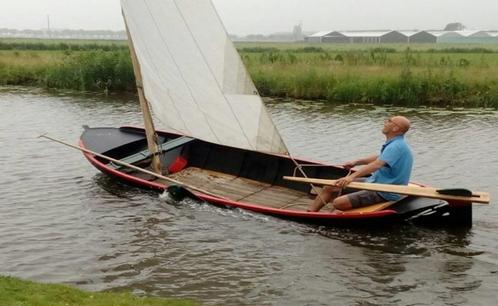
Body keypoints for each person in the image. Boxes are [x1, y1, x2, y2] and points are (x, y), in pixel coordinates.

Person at [308, 115, 413, 212]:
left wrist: (351, 177)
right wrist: (356, 162)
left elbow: (377, 164)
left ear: (395, 128)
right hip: (375, 181)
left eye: (389, 121)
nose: (385, 122)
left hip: (384, 191)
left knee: (338, 203)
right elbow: (380, 157)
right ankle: (310, 213)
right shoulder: (397, 144)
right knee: (329, 187)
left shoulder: (396, 146)